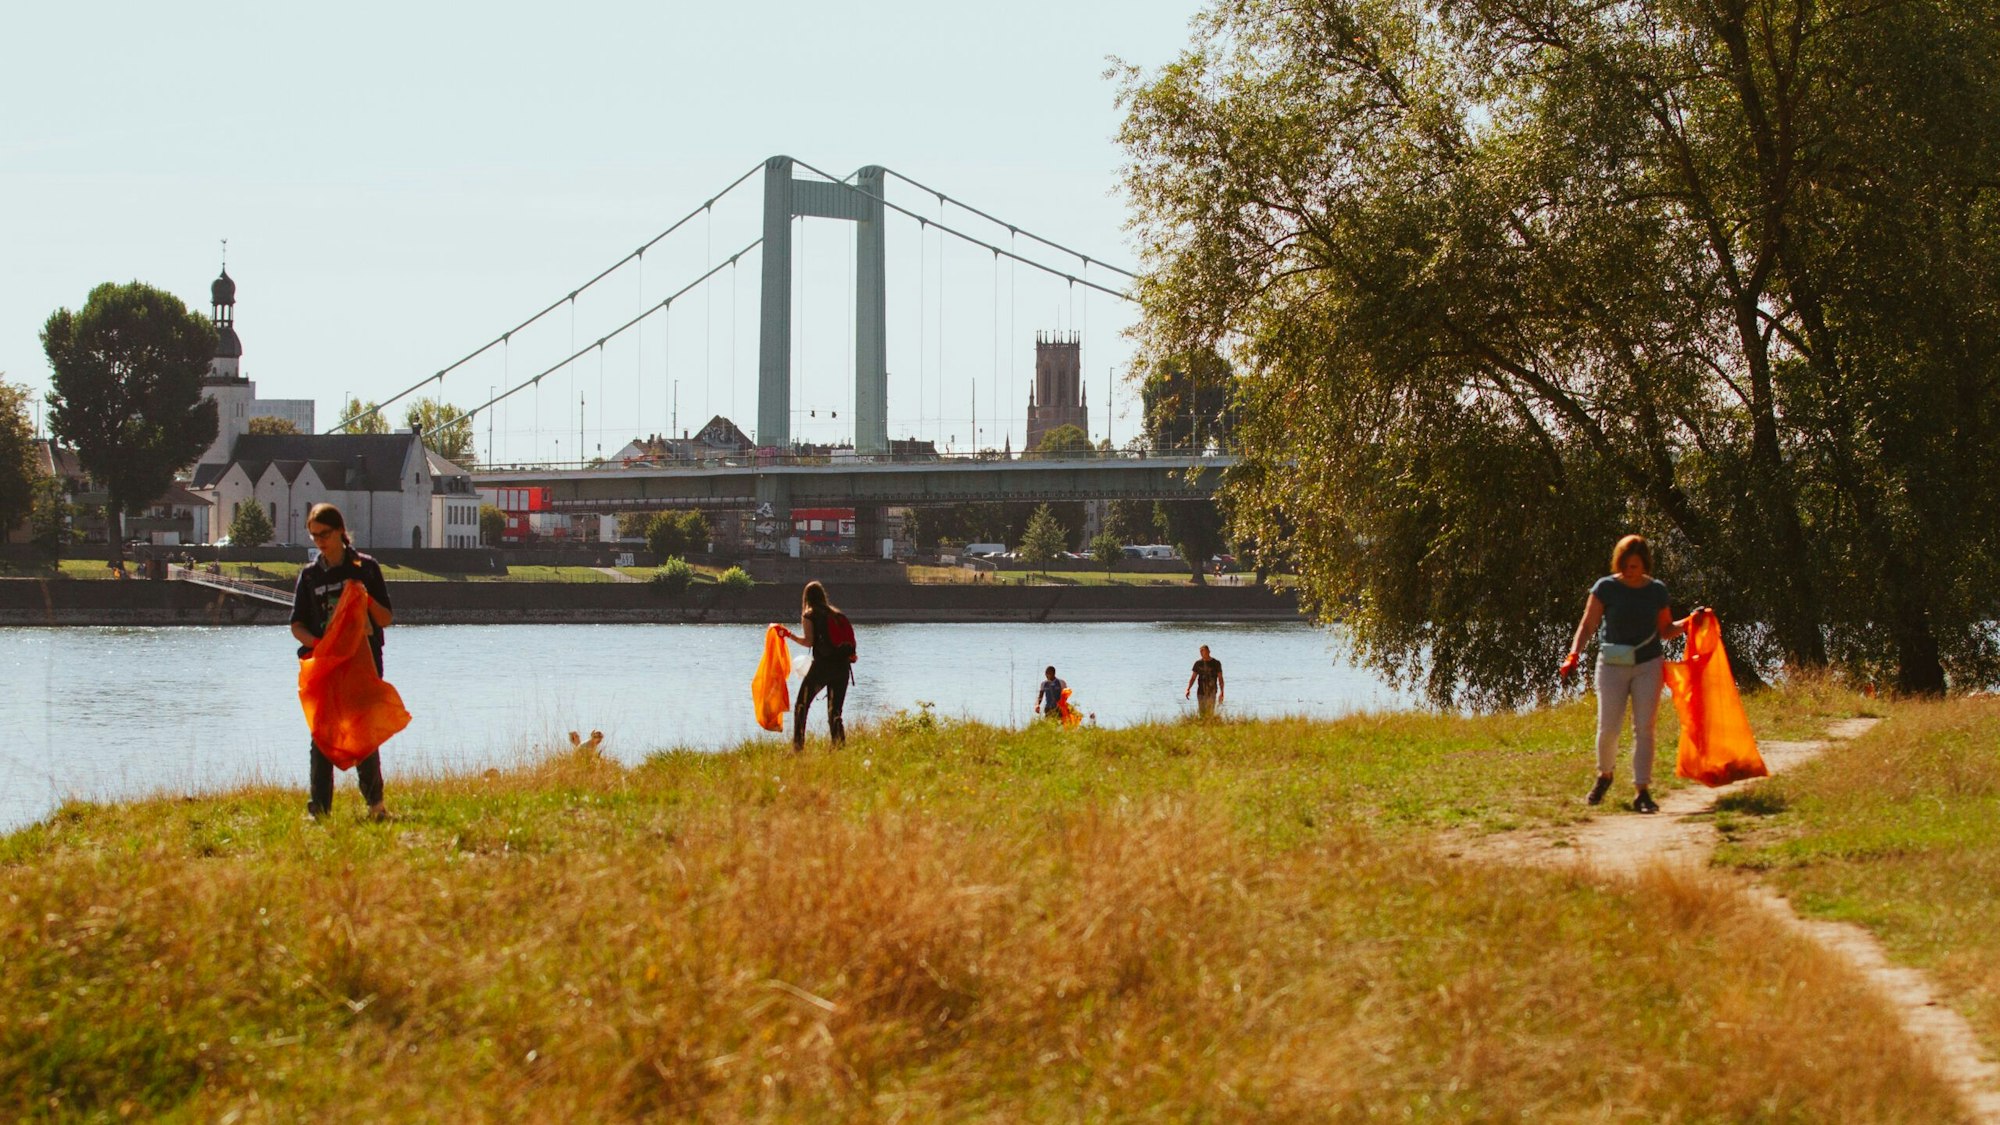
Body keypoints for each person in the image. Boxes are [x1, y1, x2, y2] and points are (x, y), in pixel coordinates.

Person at [1560, 534, 1702, 814]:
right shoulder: (1605, 588)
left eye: (1634, 565)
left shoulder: (1656, 591)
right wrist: (1573, 654)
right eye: (1624, 564)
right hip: (1612, 665)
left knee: (1644, 729)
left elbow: (1665, 630)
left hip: (1648, 665)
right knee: (1608, 728)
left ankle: (1642, 791)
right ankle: (1605, 775)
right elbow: (1588, 625)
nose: (1629, 570)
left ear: (1644, 564)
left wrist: (1688, 623)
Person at [289, 502, 394, 822]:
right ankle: (319, 810)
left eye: (324, 534)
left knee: (364, 734)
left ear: (339, 532)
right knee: (322, 735)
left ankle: (375, 806)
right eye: (313, 536)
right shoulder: (309, 576)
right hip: (326, 665)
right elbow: (297, 626)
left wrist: (363, 596)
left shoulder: (365, 567)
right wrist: (320, 644)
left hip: (363, 663)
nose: (319, 541)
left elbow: (385, 618)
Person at [776, 580, 847, 751]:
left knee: (801, 704)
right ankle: (839, 747)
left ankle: (798, 747)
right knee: (835, 710)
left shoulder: (809, 614)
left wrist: (789, 635)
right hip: (843, 667)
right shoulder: (836, 614)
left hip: (822, 667)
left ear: (806, 597)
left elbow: (809, 642)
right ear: (823, 595)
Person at [1185, 644, 1225, 717]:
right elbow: (1193, 678)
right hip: (1200, 692)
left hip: (1212, 691)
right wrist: (1188, 689)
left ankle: (1210, 726)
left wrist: (1222, 692)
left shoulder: (1216, 663)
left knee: (1210, 713)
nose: (1202, 654)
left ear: (1209, 652)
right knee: (1202, 713)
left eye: (1204, 652)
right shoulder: (1198, 663)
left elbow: (1220, 678)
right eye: (1201, 652)